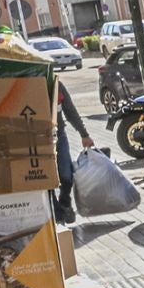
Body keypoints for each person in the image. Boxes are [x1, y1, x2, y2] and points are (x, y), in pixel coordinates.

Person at [55, 82, 94, 224]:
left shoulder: (56, 85)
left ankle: (64, 202)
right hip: (38, 138)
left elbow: (70, 111)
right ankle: (57, 212)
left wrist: (84, 134)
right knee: (45, 180)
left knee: (66, 176)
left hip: (58, 135)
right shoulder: (28, 84)